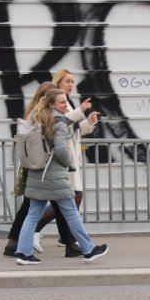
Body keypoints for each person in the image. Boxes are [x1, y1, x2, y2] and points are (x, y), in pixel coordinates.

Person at [14, 89, 110, 265]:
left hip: (37, 173)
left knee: (32, 214)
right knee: (71, 212)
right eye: (62, 102)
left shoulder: (38, 118)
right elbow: (60, 149)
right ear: (52, 104)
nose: (66, 105)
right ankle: (89, 250)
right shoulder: (58, 122)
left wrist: (81, 114)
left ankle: (23, 252)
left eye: (66, 101)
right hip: (55, 175)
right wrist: (69, 163)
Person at [3, 83, 73, 257]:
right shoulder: (43, 115)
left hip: (36, 166)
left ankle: (16, 243)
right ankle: (17, 244)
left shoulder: (35, 113)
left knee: (37, 207)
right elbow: (54, 138)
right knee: (36, 208)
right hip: (44, 168)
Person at [51, 67, 99, 256]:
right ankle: (70, 240)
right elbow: (61, 123)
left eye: (72, 81)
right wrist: (80, 111)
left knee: (66, 200)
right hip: (63, 157)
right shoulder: (56, 102)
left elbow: (74, 130)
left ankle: (69, 240)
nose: (71, 84)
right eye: (67, 81)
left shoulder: (68, 102)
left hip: (70, 156)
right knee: (72, 197)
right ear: (58, 82)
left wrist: (89, 122)